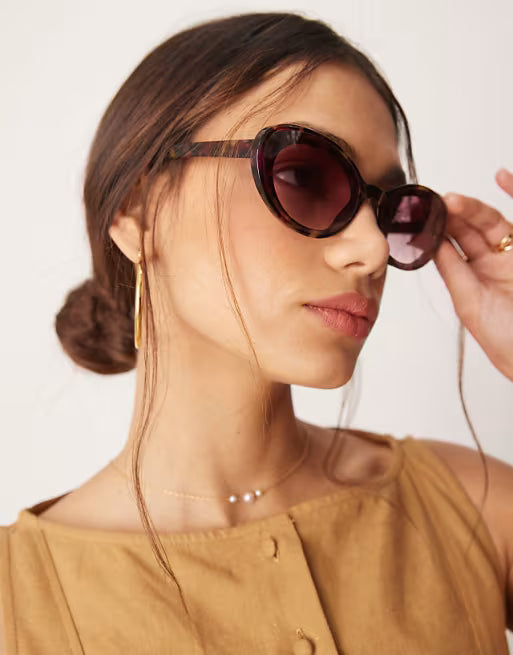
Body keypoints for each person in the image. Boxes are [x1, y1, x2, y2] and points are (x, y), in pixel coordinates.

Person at [1, 11, 512, 654]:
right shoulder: (17, 601)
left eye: (393, 212)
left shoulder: (471, 506)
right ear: (138, 211)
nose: (372, 250)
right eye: (304, 177)